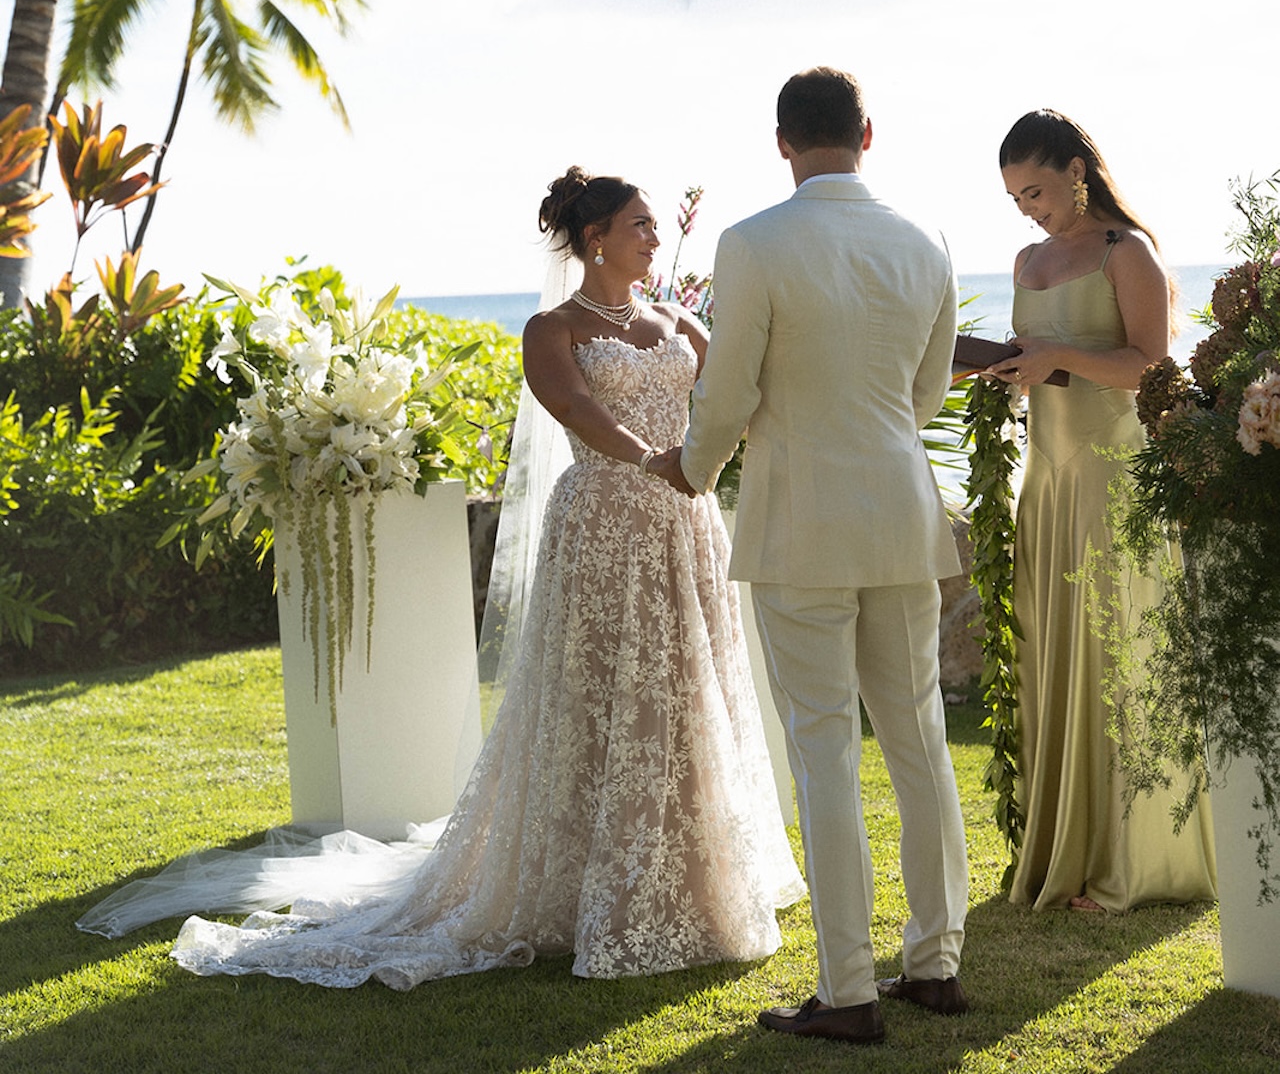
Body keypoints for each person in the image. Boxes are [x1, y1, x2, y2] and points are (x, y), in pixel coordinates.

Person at [82, 168, 803, 986]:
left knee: (684, 691)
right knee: (602, 692)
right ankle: (580, 885)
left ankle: (693, 877)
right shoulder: (551, 328)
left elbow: (737, 392)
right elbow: (574, 409)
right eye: (638, 223)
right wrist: (652, 460)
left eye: (652, 224)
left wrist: (710, 459)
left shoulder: (678, 319)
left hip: (685, 523)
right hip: (605, 522)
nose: (653, 235)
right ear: (595, 236)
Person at [648, 67, 969, 1047]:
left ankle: (845, 992)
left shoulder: (752, 243)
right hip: (899, 513)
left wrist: (690, 469)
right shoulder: (925, 241)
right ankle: (935, 964)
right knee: (917, 741)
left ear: (781, 141)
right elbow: (923, 393)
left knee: (825, 749)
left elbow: (729, 390)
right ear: (866, 132)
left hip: (800, 524)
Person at [986, 109, 1216, 913]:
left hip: (1114, 476)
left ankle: (1131, 858)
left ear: (1077, 170)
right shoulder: (1024, 259)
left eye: (1037, 189)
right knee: (1052, 650)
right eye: (1016, 196)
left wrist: (1059, 357)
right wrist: (1004, 370)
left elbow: (1151, 366)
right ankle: (1062, 848)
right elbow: (1039, 363)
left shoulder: (1130, 253)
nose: (1028, 208)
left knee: (1119, 653)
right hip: (1043, 482)